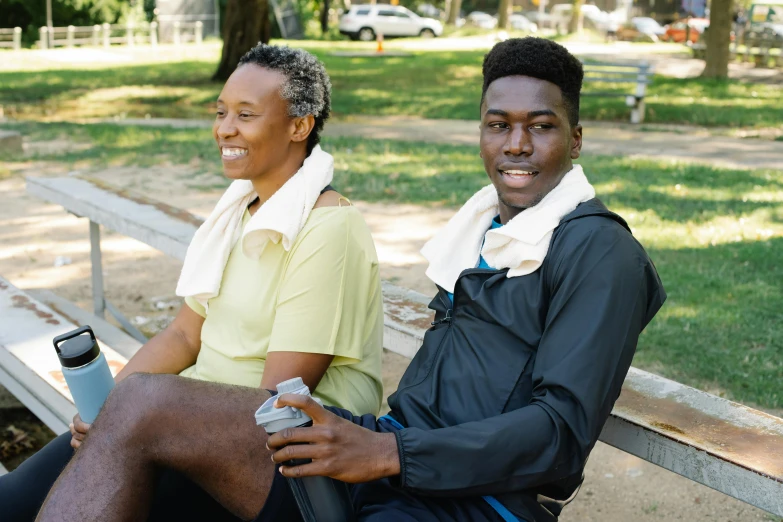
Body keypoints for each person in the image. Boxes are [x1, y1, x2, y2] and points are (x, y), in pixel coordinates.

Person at [36, 37, 666, 522]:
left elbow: (559, 434)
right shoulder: (488, 230)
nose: (516, 144)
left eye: (542, 125)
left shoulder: (600, 252)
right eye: (498, 124)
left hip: (467, 500)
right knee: (139, 403)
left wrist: (389, 456)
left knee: (143, 423)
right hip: (384, 454)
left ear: (576, 139)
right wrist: (379, 449)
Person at [0, 44, 384, 521]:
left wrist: (141, 424)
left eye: (246, 114)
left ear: (299, 126)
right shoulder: (240, 211)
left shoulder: (330, 228)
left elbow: (279, 396)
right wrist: (108, 411)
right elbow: (183, 334)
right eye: (221, 112)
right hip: (182, 419)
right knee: (15, 499)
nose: (225, 128)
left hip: (267, 454)